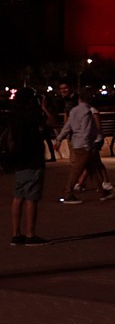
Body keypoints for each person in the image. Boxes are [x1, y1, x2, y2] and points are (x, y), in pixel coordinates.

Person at [7, 88, 53, 245]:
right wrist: (44, 108)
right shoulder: (33, 115)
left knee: (18, 197)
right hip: (33, 160)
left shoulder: (14, 116)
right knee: (31, 199)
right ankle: (31, 234)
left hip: (19, 161)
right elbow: (52, 123)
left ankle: (16, 234)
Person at [54, 87, 99, 204]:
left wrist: (59, 139)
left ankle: (103, 190)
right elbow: (86, 130)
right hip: (84, 144)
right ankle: (68, 192)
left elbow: (67, 126)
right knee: (78, 169)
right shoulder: (87, 112)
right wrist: (88, 145)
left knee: (90, 167)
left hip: (76, 143)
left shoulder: (74, 110)